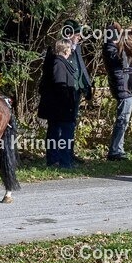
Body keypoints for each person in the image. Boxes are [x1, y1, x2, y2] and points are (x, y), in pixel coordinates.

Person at [39, 39, 80, 168]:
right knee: (63, 134)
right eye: (69, 48)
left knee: (57, 133)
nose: (71, 51)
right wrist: (68, 103)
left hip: (60, 107)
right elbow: (60, 86)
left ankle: (58, 161)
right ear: (66, 50)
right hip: (61, 108)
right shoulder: (58, 64)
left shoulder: (60, 63)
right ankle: (62, 162)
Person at [103, 24, 132, 161]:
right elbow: (122, 58)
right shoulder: (110, 49)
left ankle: (119, 148)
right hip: (124, 88)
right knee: (122, 119)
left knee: (123, 119)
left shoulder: (112, 48)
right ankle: (115, 150)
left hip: (124, 87)